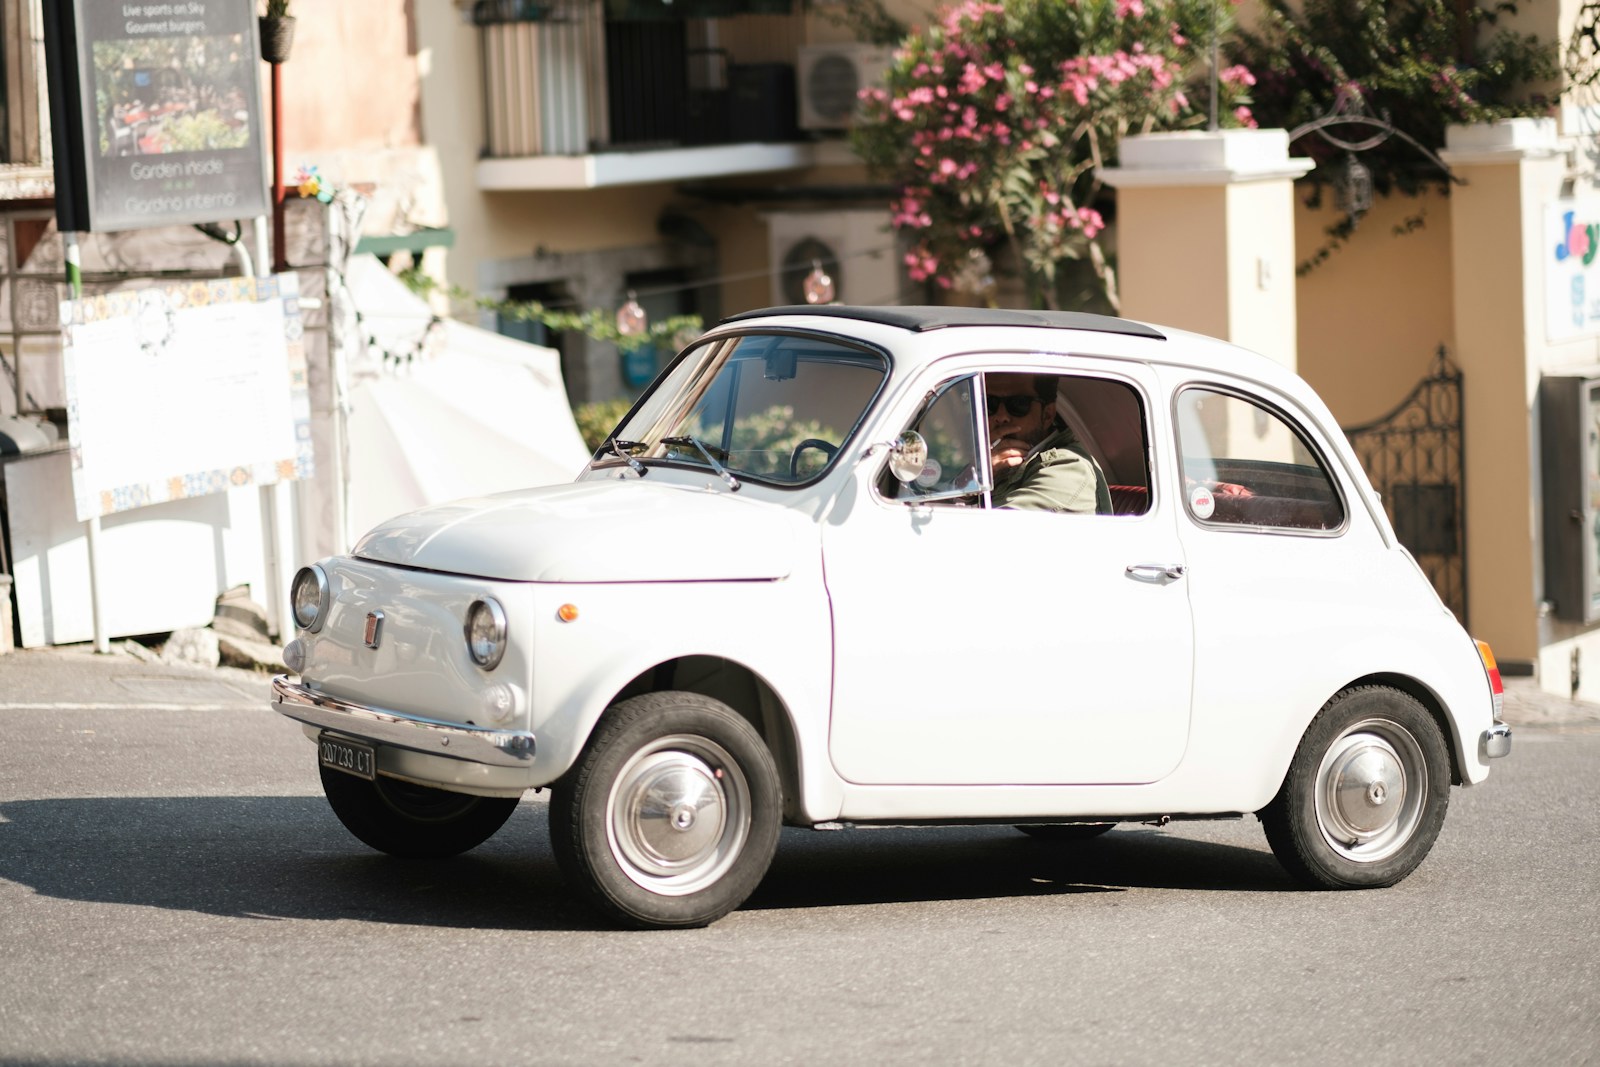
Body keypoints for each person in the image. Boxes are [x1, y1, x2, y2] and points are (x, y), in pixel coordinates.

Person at [986, 373, 1111, 514]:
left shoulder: (1069, 469)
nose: (1001, 417)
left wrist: (977, 477)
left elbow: (994, 525)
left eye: (1018, 403)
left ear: (1047, 415)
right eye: (990, 403)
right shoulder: (995, 463)